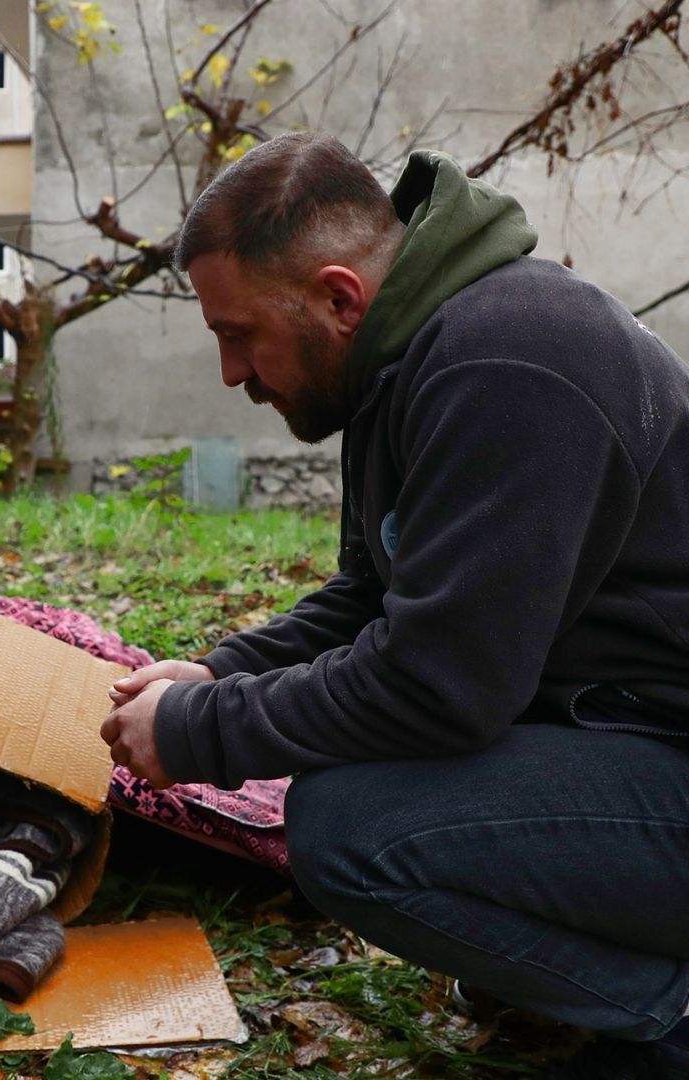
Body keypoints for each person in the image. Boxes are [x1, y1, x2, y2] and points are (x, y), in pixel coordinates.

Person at [100, 132, 689, 1079]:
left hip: (667, 752)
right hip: (626, 728)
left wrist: (201, 731)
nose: (231, 373)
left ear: (339, 295)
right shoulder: (392, 362)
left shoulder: (507, 360)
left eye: (237, 333)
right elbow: (371, 594)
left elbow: (438, 686)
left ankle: (671, 1015)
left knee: (353, 827)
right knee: (364, 798)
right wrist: (218, 671)